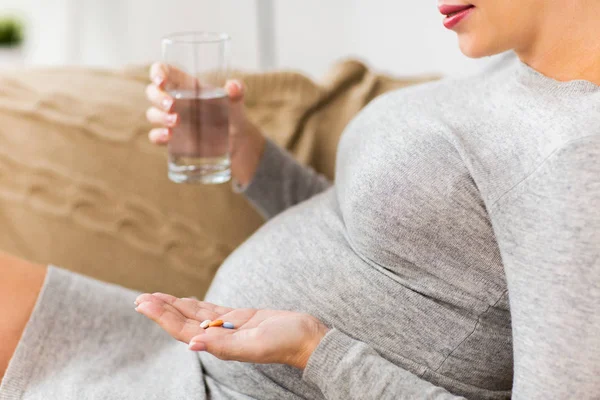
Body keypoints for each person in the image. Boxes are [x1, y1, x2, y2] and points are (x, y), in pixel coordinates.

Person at [1, 0, 598, 399]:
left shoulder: (574, 157)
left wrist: (315, 350)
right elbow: (379, 248)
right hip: (178, 359)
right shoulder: (515, 74)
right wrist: (246, 149)